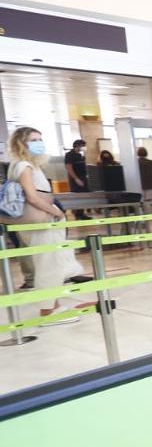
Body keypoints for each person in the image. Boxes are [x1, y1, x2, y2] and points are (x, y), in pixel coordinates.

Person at [7, 127, 86, 323]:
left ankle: (54, 305)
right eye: (34, 139)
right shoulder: (24, 166)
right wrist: (56, 212)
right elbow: (32, 197)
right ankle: (47, 312)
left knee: (52, 263)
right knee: (48, 266)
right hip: (41, 224)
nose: (39, 143)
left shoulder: (25, 165)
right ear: (21, 143)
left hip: (40, 224)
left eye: (40, 139)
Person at [63, 139, 91, 220]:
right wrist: (76, 179)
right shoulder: (69, 155)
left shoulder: (80, 155)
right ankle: (77, 214)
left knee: (84, 195)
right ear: (78, 145)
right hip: (76, 178)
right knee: (78, 196)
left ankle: (81, 213)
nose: (84, 147)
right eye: (83, 145)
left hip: (83, 177)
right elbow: (69, 167)